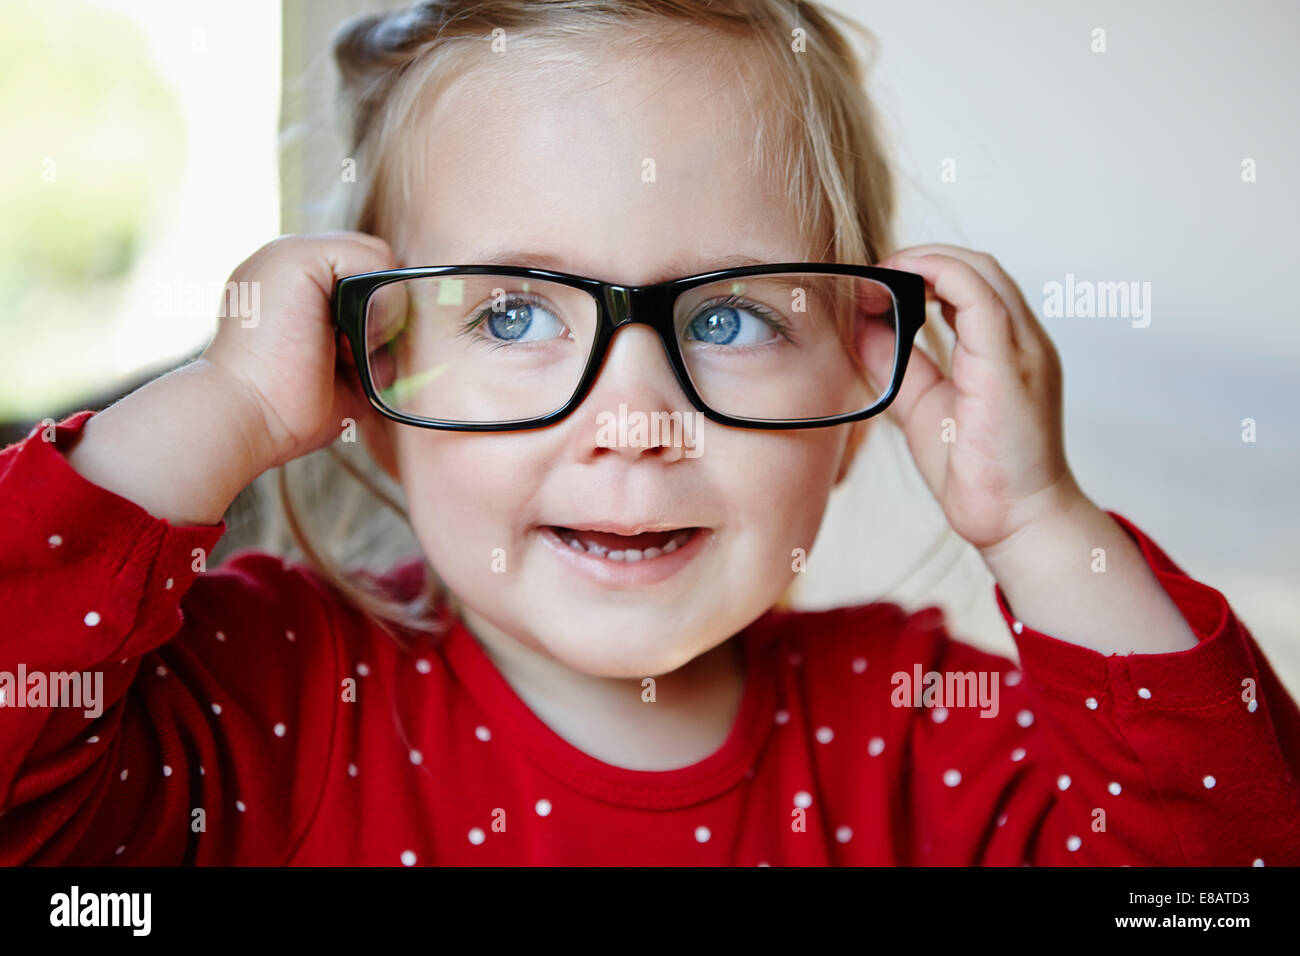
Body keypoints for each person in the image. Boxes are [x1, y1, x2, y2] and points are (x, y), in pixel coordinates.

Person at [2, 0, 1296, 865]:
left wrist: (1039, 521)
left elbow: (1229, 863)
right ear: (372, 386)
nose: (633, 422)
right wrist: (221, 412)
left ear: (860, 396)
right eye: (511, 315)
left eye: (731, 319)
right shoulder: (274, 697)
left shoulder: (910, 734)